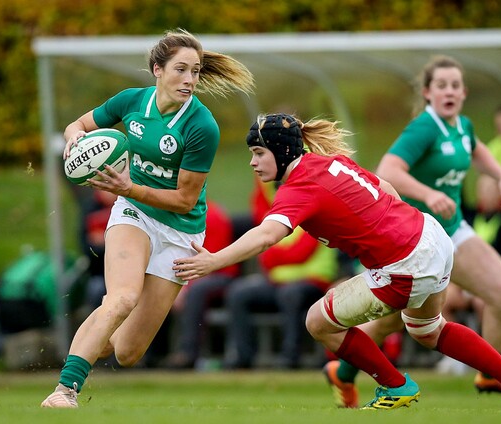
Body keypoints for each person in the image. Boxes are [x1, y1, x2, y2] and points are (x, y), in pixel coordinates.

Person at [173, 112, 501, 411]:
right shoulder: (329, 162)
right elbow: (386, 188)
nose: (253, 162)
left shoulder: (299, 186)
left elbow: (267, 235)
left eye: (259, 153)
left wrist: (213, 261)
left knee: (317, 322)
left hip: (406, 260)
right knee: (428, 330)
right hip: (431, 237)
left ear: (282, 150)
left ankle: (395, 386)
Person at [40, 28, 254, 408]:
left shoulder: (202, 126)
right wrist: (75, 140)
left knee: (126, 351)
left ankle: (101, 325)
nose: (189, 80)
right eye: (181, 69)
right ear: (158, 69)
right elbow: (79, 125)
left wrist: (128, 187)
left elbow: (185, 201)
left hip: (180, 231)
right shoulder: (132, 101)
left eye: (195, 71)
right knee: (122, 299)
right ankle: (64, 391)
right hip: (133, 213)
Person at [324, 55, 501, 405]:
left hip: (452, 232)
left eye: (455, 85)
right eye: (441, 85)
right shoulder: (424, 128)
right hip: (413, 242)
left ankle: (493, 375)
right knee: (389, 322)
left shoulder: (462, 126)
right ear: (428, 93)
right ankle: (343, 373)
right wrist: (429, 194)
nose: (449, 91)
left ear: (464, 93)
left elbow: (475, 149)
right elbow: (388, 170)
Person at [224, 224, 337, 369]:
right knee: (239, 294)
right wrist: (281, 254)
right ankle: (243, 356)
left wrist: (277, 255)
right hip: (278, 283)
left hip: (313, 283)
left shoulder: (315, 223)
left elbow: (299, 253)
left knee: (290, 295)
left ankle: (290, 357)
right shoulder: (281, 223)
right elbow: (266, 257)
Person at [160, 199, 241, 369]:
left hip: (220, 275)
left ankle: (189, 353)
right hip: (193, 276)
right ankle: (151, 354)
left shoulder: (212, 216)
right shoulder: (179, 216)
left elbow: (210, 262)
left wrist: (183, 287)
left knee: (196, 291)